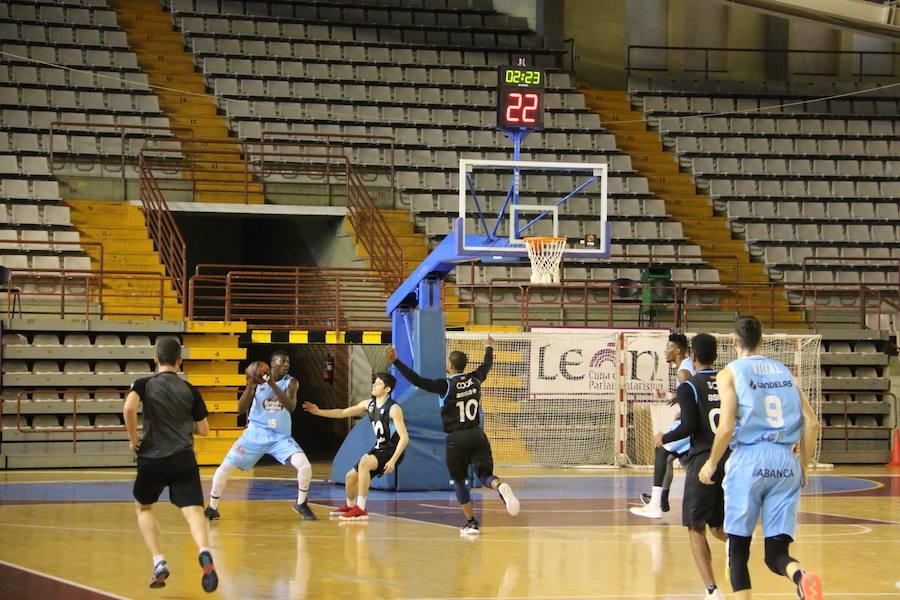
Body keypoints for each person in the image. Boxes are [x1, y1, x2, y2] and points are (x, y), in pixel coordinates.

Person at [699, 316, 822, 600]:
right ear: (762, 341)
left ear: (733, 342)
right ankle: (801, 577)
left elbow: (727, 426)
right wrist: (802, 465)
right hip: (785, 460)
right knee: (776, 553)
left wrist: (711, 463)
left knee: (739, 551)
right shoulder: (785, 372)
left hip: (750, 460)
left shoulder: (730, 372)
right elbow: (812, 423)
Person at [385, 336, 520, 535]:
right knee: (484, 476)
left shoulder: (445, 385)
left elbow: (417, 381)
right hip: (477, 434)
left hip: (457, 438)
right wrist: (489, 348)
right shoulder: (475, 378)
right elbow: (487, 365)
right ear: (464, 365)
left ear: (449, 365)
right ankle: (499, 486)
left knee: (459, 480)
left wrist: (395, 361)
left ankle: (471, 522)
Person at [124, 337, 218, 592]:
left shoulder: (144, 384)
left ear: (155, 359)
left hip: (152, 458)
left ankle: (159, 561)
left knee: (144, 509)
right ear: (180, 361)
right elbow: (204, 430)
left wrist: (134, 440)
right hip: (183, 458)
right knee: (194, 511)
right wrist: (183, 426)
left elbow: (129, 408)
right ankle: (204, 551)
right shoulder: (190, 389)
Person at [655, 333, 727, 600]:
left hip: (703, 460)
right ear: (716, 356)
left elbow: (688, 427)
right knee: (718, 527)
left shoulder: (690, 385)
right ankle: (738, 546)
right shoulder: (728, 381)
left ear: (692, 356)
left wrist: (664, 438)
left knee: (695, 527)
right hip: (730, 458)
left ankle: (712, 590)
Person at [204, 351, 316, 521]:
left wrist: (272, 384)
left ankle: (301, 503)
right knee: (224, 468)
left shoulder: (291, 382)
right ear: (272, 364)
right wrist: (250, 387)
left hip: (280, 437)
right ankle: (212, 507)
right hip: (255, 433)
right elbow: (240, 409)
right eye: (282, 362)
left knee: (304, 465)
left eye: (288, 362)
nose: (286, 364)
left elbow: (291, 406)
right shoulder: (257, 384)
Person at [303, 372, 409, 521]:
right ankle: (350, 505)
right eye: (374, 382)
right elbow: (343, 412)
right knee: (350, 476)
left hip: (391, 450)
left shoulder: (393, 409)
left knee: (365, 464)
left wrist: (392, 461)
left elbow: (404, 438)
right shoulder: (369, 404)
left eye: (378, 384)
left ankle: (361, 508)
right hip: (379, 448)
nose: (374, 385)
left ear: (387, 389)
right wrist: (318, 411)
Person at [631, 332, 695, 518]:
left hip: (693, 422)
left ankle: (657, 504)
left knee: (662, 448)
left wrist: (685, 411)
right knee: (675, 458)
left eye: (668, 347)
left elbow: (694, 394)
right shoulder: (687, 366)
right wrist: (672, 396)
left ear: (678, 350)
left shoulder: (683, 370)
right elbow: (692, 391)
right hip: (691, 419)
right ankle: (662, 500)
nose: (665, 351)